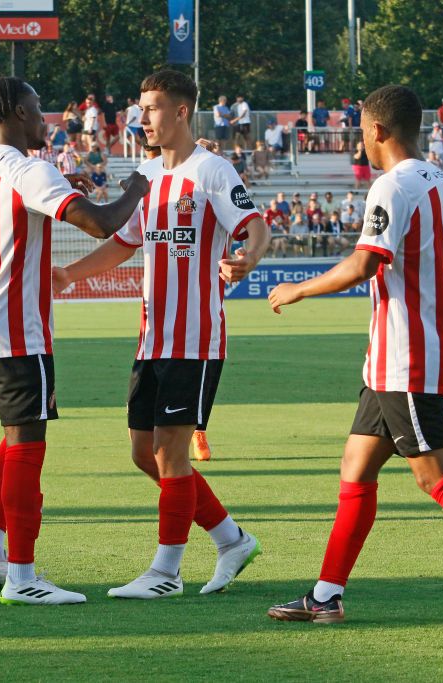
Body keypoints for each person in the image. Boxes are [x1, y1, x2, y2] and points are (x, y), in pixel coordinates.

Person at [267, 84, 443, 628]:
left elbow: (366, 264)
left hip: (405, 360)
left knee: (433, 473)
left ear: (377, 131)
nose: (360, 143)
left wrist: (297, 288)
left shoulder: (391, 188)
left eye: (361, 133)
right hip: (397, 360)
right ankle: (326, 595)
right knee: (356, 465)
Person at [53, 70, 269, 602]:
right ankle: (230, 538)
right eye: (139, 107)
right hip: (152, 338)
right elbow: (124, 244)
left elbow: (255, 223)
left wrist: (248, 258)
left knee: (173, 454)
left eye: (151, 108)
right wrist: (67, 276)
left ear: (180, 112)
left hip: (195, 338)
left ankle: (166, 571)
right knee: (142, 453)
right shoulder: (145, 177)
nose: (141, 118)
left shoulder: (212, 170)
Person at [0, 76, 150, 606]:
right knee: (28, 447)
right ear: (18, 112)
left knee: (13, 434)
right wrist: (140, 181)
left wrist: (61, 188)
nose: (46, 120)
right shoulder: (30, 170)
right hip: (16, 324)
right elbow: (104, 225)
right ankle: (22, 576)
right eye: (39, 111)